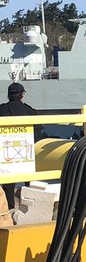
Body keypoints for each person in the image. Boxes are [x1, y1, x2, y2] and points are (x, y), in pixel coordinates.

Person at [0, 84, 39, 212]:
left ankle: (9, 211)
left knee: (8, 185)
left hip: (6, 153)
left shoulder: (2, 109)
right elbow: (38, 129)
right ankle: (30, 211)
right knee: (29, 183)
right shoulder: (29, 110)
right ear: (22, 95)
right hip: (26, 153)